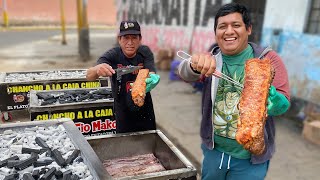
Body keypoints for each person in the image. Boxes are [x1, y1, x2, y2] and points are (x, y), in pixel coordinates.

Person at [178, 3, 290, 180]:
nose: (228, 31)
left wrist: (274, 100)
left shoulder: (267, 61)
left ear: (249, 29)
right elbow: (185, 74)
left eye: (236, 25)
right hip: (214, 151)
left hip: (250, 158)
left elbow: (283, 102)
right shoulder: (211, 59)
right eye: (222, 26)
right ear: (216, 33)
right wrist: (193, 65)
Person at [86, 20, 160, 133]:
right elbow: (89, 75)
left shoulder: (145, 52)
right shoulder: (113, 55)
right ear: (119, 39)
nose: (130, 42)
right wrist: (97, 70)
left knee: (149, 145)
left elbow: (151, 72)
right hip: (123, 112)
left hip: (145, 110)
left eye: (134, 38)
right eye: (126, 38)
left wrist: (152, 79)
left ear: (140, 39)